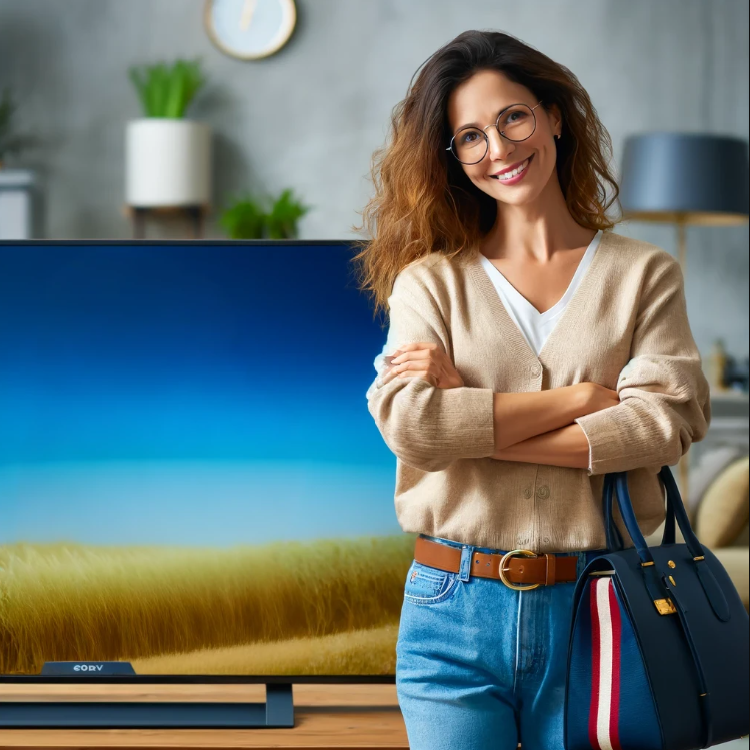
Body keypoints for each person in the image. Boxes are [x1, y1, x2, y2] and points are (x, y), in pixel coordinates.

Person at [351, 29, 711, 750]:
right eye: (470, 136)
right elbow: (414, 430)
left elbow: (665, 424)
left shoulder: (644, 274)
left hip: (608, 611)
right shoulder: (431, 281)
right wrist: (584, 401)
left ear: (552, 116)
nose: (500, 149)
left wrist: (474, 428)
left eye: (513, 117)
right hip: (452, 613)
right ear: (451, 157)